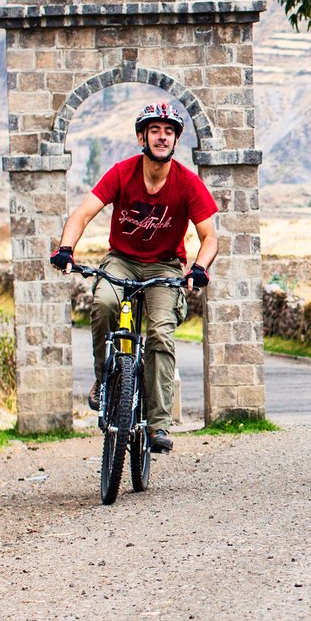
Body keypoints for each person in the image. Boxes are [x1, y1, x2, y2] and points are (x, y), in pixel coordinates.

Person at [51, 101, 217, 455]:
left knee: (159, 332)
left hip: (165, 266)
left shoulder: (187, 183)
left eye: (169, 132)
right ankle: (104, 377)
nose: (162, 137)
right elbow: (82, 214)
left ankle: (158, 423)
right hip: (121, 260)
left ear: (175, 140)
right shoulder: (121, 173)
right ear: (142, 136)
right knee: (104, 303)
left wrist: (199, 268)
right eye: (155, 130)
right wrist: (66, 248)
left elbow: (210, 237)